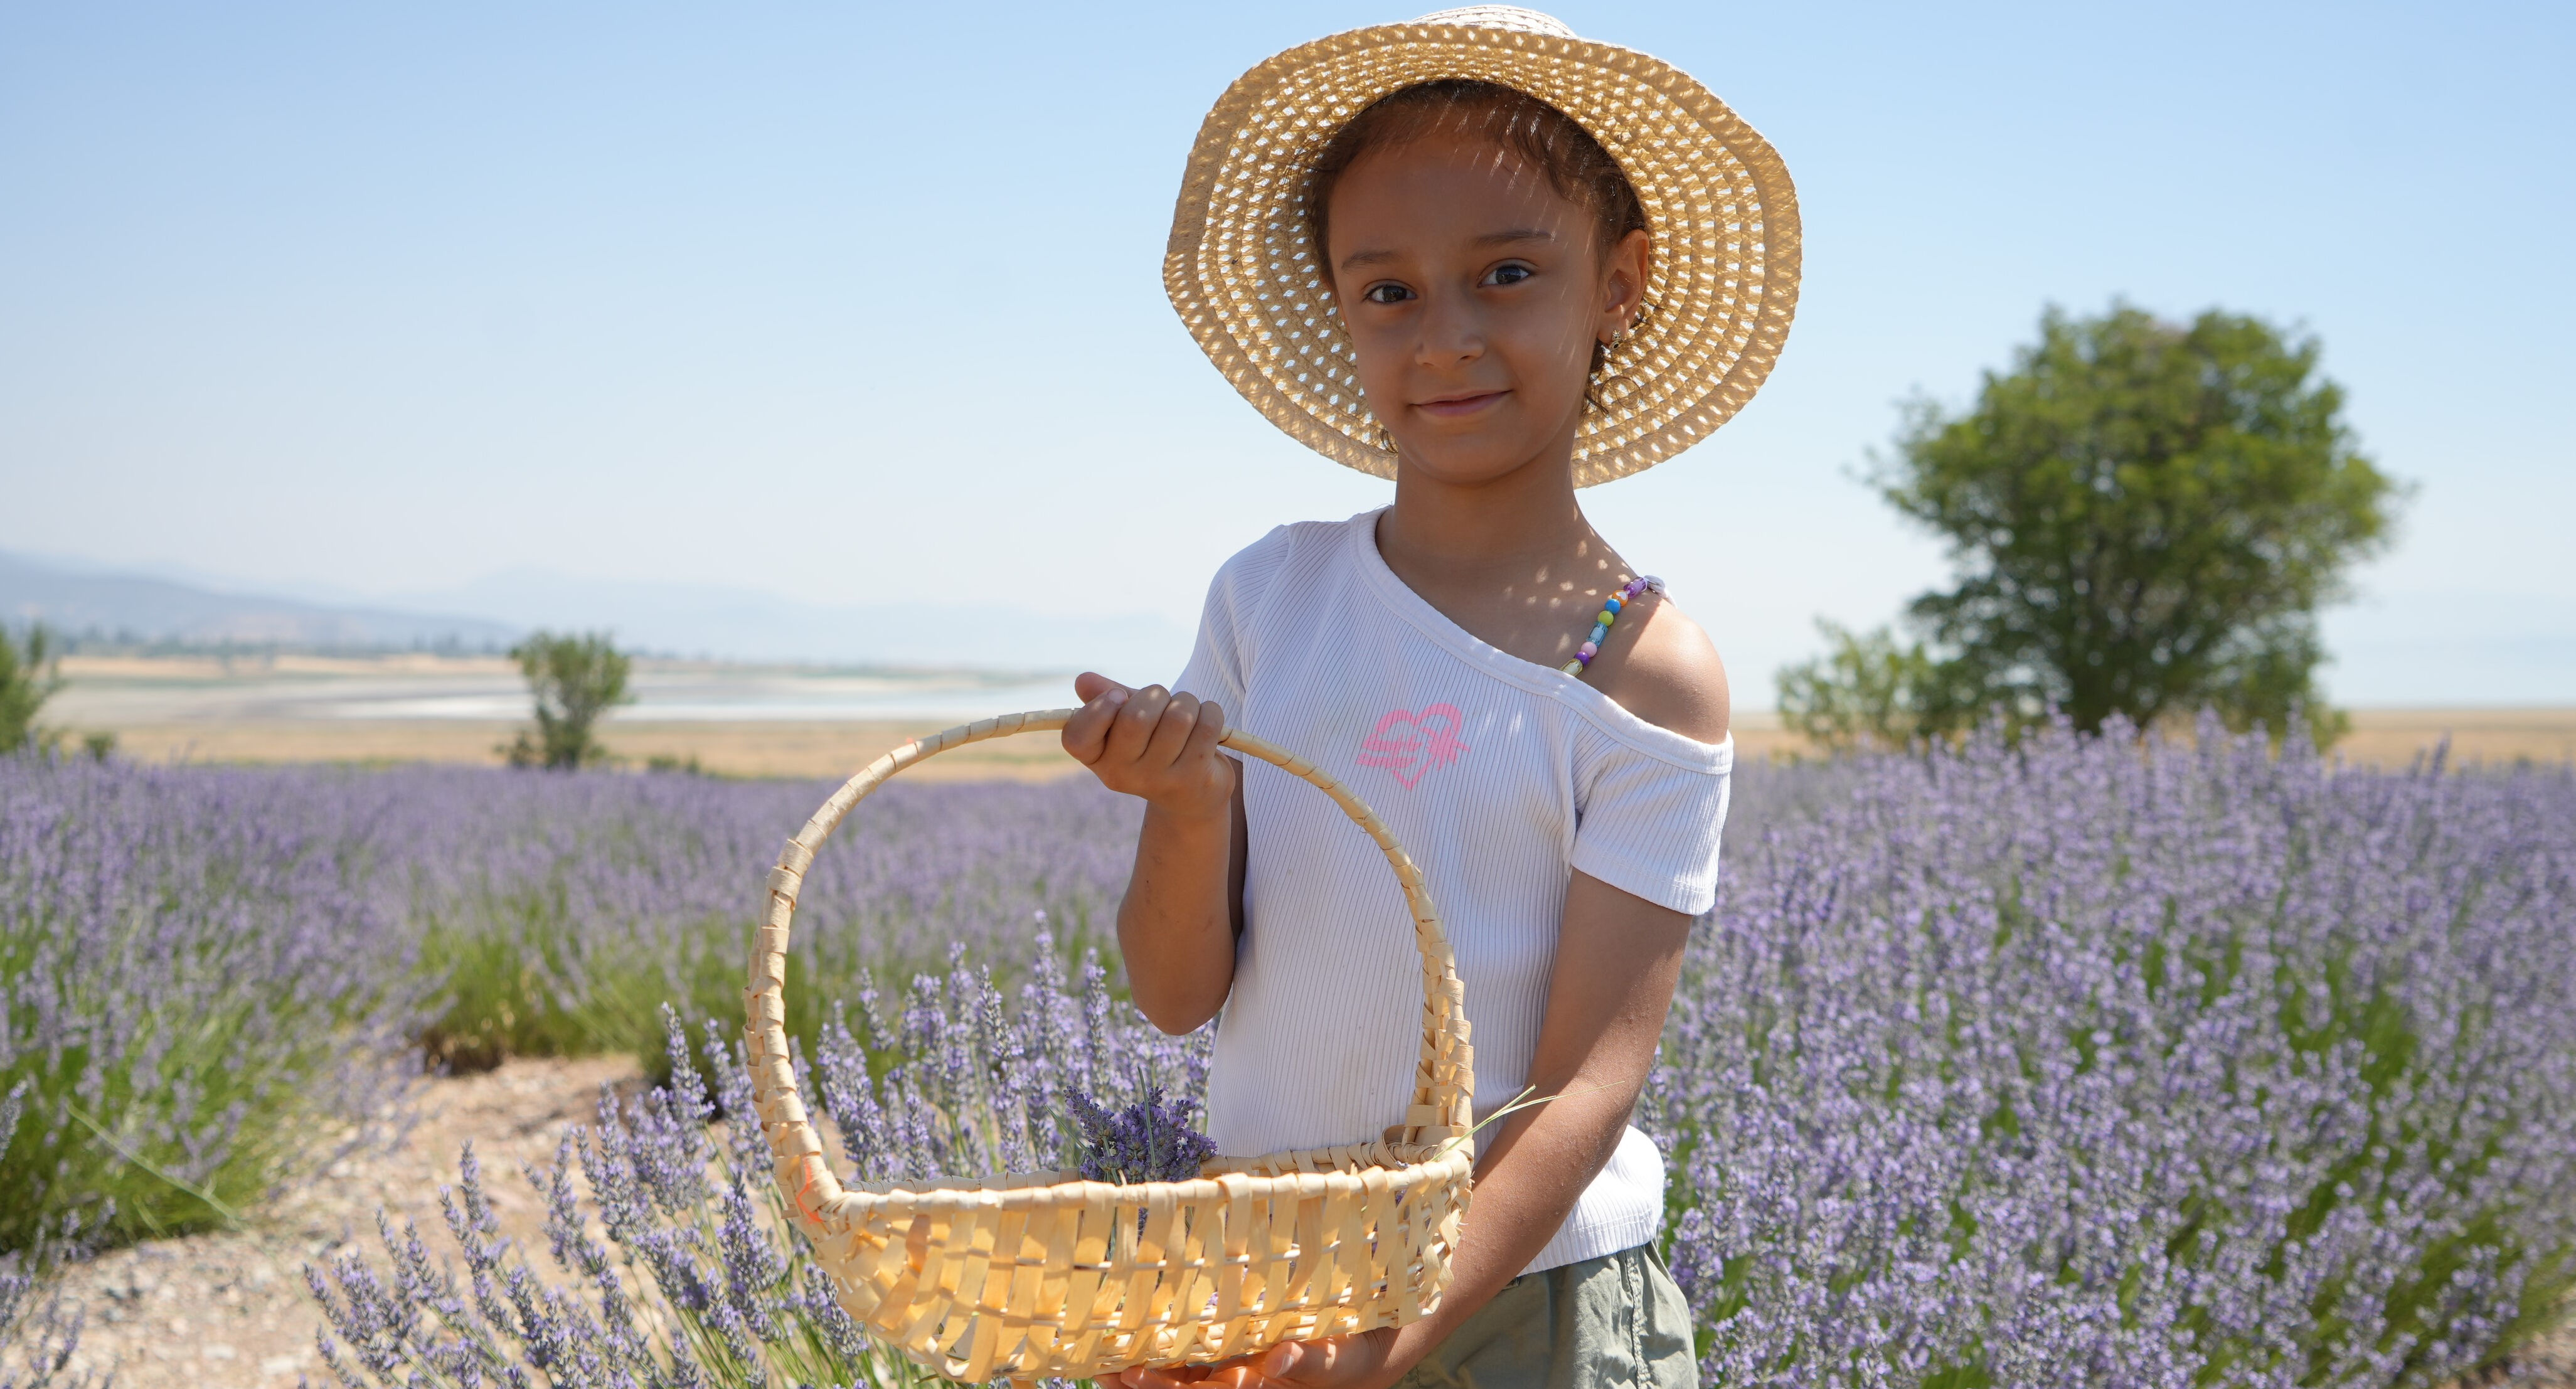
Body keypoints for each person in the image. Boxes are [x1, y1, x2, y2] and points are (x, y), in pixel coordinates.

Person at [1063, 10, 1799, 1388]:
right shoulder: (1272, 596)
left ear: (1620, 284)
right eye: (1388, 291)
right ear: (1340, 310)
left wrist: (1382, 1342)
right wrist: (1188, 803)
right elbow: (1174, 994)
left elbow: (1583, 1087)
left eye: (1506, 274)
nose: (1445, 336)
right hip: (1272, 1276)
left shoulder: (1640, 668)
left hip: (1529, 1301)